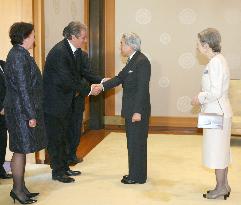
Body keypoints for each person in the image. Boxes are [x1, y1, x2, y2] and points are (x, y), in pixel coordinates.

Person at [43, 21, 102, 183]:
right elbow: (68, 80)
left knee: (64, 136)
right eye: (83, 37)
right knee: (56, 138)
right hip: (54, 103)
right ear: (73, 36)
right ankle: (58, 172)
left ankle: (64, 167)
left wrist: (103, 81)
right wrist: (89, 90)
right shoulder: (60, 52)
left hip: (65, 102)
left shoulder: (73, 51)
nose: (85, 40)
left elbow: (82, 73)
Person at [91, 32, 151, 184]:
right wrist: (102, 86)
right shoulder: (132, 60)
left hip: (137, 111)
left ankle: (137, 177)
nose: (120, 46)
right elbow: (119, 78)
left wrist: (137, 111)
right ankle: (135, 173)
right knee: (132, 142)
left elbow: (142, 89)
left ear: (131, 46)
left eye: (122, 43)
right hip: (131, 109)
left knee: (137, 143)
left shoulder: (142, 61)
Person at [4, 22, 47, 204]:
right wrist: (31, 115)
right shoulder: (18, 56)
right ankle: (17, 190)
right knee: (20, 150)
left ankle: (21, 188)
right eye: (33, 36)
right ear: (24, 37)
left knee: (21, 149)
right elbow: (23, 89)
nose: (34, 39)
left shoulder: (20, 54)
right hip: (21, 111)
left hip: (21, 109)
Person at [191, 28, 233, 200]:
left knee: (217, 152)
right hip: (215, 112)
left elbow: (215, 92)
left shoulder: (216, 63)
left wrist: (199, 97)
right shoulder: (216, 61)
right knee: (219, 150)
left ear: (206, 45)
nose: (197, 47)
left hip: (217, 113)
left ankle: (221, 188)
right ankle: (223, 185)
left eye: (199, 44)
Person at [0, 60, 12, 180]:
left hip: (6, 111)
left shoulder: (3, 64)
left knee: (2, 141)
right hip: (1, 109)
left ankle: (1, 169)